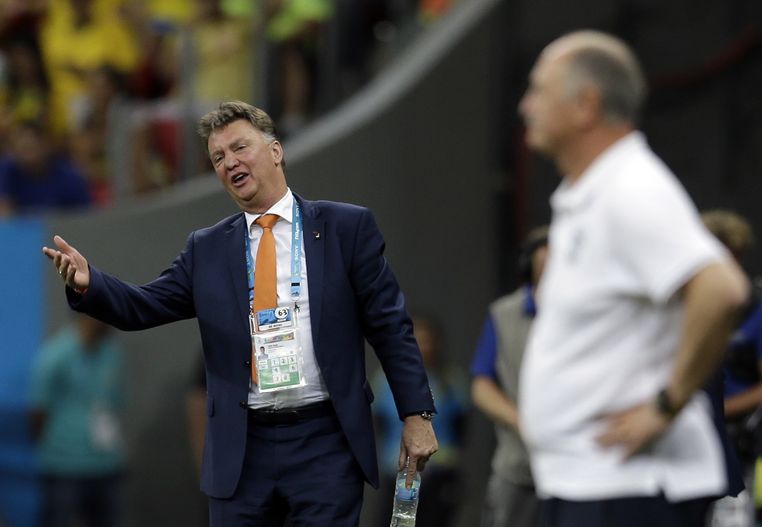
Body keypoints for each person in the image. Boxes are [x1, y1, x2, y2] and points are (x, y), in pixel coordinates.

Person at [42, 100, 438, 527]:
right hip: (242, 449)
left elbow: (390, 326)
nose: (230, 162)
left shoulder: (346, 228)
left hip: (326, 441)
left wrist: (415, 415)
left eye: (239, 148)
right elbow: (144, 305)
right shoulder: (207, 249)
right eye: (218, 157)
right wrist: (90, 284)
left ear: (275, 151)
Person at [516, 30, 749, 527]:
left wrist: (665, 406)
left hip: (627, 488)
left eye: (539, 90)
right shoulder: (594, 191)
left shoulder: (631, 189)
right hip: (587, 481)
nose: (525, 106)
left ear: (586, 106)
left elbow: (722, 288)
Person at [702, 210, 762, 527]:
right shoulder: (685, 301)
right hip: (686, 431)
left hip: (736, 437)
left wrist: (716, 409)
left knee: (730, 518)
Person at [470, 225, 547, 527]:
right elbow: (481, 383)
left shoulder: (588, 312)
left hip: (579, 467)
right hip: (519, 466)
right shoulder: (504, 313)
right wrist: (519, 419)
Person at [29, 313, 125, 527]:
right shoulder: (55, 356)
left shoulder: (111, 354)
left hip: (106, 463)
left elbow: (114, 404)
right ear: (86, 316)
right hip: (65, 466)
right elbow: (38, 410)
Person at [372, 315, 467, 527]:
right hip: (398, 473)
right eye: (418, 340)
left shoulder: (451, 380)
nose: (424, 347)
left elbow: (462, 425)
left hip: (440, 472)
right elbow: (380, 423)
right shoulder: (386, 380)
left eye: (429, 340)